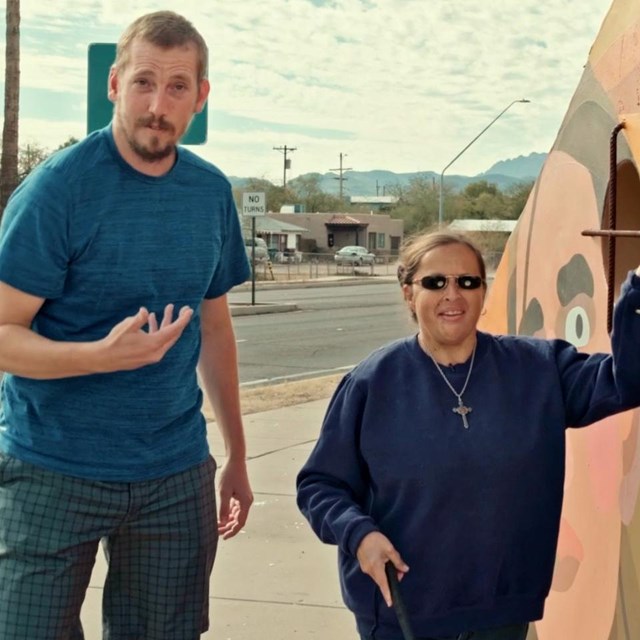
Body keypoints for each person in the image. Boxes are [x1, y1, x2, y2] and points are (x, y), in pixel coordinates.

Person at [0, 11, 252, 639]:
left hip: (173, 472)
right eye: (143, 82)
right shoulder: (58, 190)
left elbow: (214, 328)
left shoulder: (210, 193)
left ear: (200, 96)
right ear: (113, 85)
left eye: (176, 87)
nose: (157, 105)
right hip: (50, 468)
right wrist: (99, 356)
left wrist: (237, 456)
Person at [296, 231, 640, 640]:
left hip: (501, 612)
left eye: (467, 281)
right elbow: (320, 485)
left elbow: (626, 381)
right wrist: (359, 534)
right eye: (435, 282)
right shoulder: (373, 382)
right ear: (409, 293)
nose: (452, 294)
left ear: (483, 291)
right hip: (403, 614)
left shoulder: (539, 370)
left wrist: (637, 294)